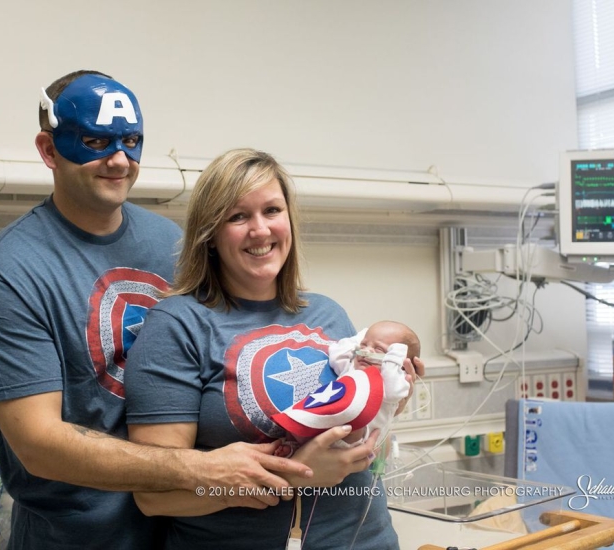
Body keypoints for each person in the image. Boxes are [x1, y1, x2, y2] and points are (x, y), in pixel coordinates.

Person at [0, 72, 314, 550]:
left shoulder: (171, 243)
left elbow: (246, 340)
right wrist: (200, 468)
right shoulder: (7, 275)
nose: (120, 160)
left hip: (187, 529)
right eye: (94, 141)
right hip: (77, 538)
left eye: (131, 141)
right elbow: (39, 445)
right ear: (49, 150)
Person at [125, 148, 423, 550]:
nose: (260, 230)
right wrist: (293, 474)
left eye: (271, 211)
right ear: (210, 235)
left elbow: (357, 421)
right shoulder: (177, 326)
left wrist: (390, 395)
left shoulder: (328, 313)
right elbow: (154, 496)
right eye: (237, 216)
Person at [272, 321, 420, 454]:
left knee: (352, 427)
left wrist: (393, 360)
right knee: (304, 419)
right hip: (328, 423)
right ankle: (293, 447)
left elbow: (394, 394)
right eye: (364, 344)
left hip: (361, 437)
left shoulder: (390, 381)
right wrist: (359, 338)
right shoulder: (352, 367)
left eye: (379, 349)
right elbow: (336, 354)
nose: (366, 351)